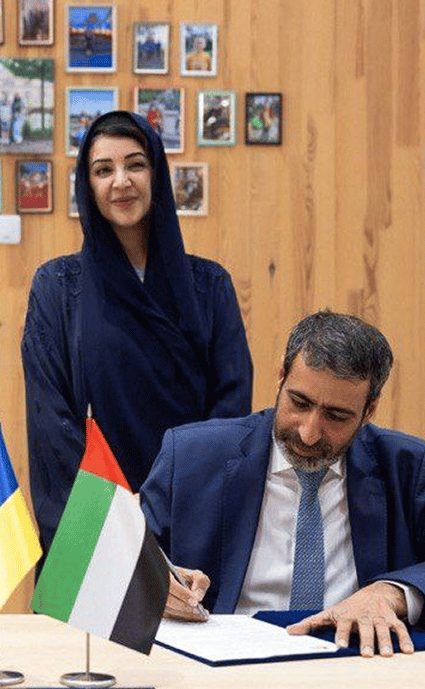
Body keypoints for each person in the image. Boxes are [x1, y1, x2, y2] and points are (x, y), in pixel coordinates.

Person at [144, 311, 425, 656]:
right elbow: (115, 558)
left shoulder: (406, 466)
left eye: (336, 416)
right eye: (299, 402)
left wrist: (389, 594)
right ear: (281, 377)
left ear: (369, 410)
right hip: (225, 662)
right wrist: (153, 583)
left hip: (356, 659)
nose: (309, 433)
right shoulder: (191, 455)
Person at [22, 111, 253, 552]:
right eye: (103, 170)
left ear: (157, 175)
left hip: (189, 516)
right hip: (93, 523)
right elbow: (50, 420)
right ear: (87, 186)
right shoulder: (57, 287)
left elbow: (230, 412)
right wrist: (114, 526)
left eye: (135, 165)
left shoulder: (209, 286)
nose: (121, 181)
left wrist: (168, 507)